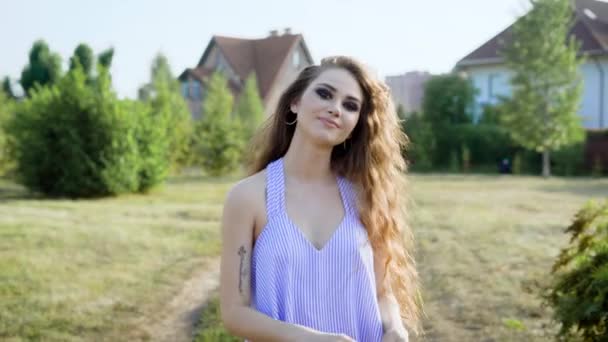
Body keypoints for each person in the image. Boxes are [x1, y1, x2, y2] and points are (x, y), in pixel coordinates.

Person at [219, 56, 422, 341]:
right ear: (295, 102)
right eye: (324, 94)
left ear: (355, 125)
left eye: (350, 106)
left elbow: (382, 293)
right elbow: (234, 313)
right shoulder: (248, 197)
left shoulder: (364, 197)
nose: (335, 109)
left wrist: (395, 328)